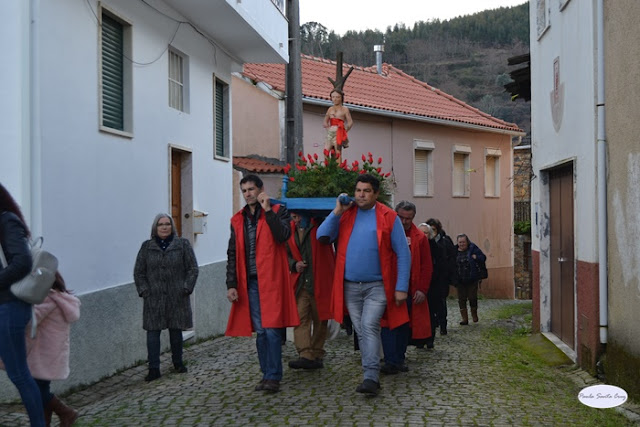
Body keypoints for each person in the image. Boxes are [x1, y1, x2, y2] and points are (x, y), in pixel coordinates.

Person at [317, 174, 411, 396]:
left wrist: (401, 287)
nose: (361, 195)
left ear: (376, 194)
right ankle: (371, 373)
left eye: (366, 191)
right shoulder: (346, 214)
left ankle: (370, 377)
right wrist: (337, 211)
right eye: (358, 190)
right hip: (350, 285)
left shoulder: (389, 216)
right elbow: (322, 235)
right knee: (361, 330)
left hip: (377, 285)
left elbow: (403, 253)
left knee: (368, 326)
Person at [225, 175, 299, 393]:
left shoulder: (278, 211)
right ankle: (266, 373)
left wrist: (268, 211)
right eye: (244, 190)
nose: (248, 194)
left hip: (272, 281)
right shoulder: (238, 220)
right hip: (250, 282)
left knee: (272, 329)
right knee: (261, 332)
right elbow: (232, 253)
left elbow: (283, 236)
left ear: (260, 189)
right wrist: (231, 283)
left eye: (251, 189)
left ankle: (273, 376)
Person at [0, 183, 46, 426]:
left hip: (9, 306)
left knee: (19, 373)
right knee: (18, 372)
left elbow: (22, 263)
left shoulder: (6, 220)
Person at [134, 214, 199, 382]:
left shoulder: (182, 245)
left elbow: (192, 268)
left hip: (177, 295)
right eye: (160, 224)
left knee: (176, 330)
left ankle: (178, 362)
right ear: (155, 228)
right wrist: (144, 291)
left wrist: (186, 288)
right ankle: (154, 368)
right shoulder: (147, 247)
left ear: (172, 227)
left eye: (167, 224)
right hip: (153, 297)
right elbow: (139, 272)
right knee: (152, 333)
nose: (164, 227)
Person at [381, 202, 432, 372]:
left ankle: (398, 358)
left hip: (409, 290)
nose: (404, 222)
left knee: (403, 326)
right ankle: (391, 359)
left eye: (408, 219)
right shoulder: (386, 233)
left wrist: (422, 289)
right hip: (388, 287)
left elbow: (426, 266)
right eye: (401, 218)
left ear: (413, 218)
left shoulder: (420, 238)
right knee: (388, 324)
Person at [27, 272, 81, 427]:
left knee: (37, 391)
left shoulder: (47, 299)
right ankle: (45, 423)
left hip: (42, 354)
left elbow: (30, 321)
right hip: (51, 353)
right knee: (41, 388)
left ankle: (67, 413)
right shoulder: (61, 298)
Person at [286, 212, 335, 370]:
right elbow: (285, 253)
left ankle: (316, 352)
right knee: (300, 318)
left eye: (298, 216)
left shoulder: (319, 225)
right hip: (301, 282)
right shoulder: (289, 230)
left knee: (320, 319)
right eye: (294, 217)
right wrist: (294, 264)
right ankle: (305, 354)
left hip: (319, 280)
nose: (296, 220)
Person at [426, 218, 456, 335]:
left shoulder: (445, 241)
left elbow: (451, 258)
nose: (432, 232)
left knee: (441, 302)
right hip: (429, 277)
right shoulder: (424, 241)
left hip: (441, 277)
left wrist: (450, 275)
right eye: (430, 229)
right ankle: (432, 325)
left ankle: (443, 324)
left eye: (434, 229)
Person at [453, 234, 486, 325]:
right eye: (460, 242)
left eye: (463, 242)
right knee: (461, 299)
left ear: (467, 242)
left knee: (472, 297)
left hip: (472, 278)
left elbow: (483, 257)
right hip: (460, 279)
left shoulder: (473, 248)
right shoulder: (454, 251)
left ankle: (474, 314)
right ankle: (465, 319)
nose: (462, 244)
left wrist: (476, 257)